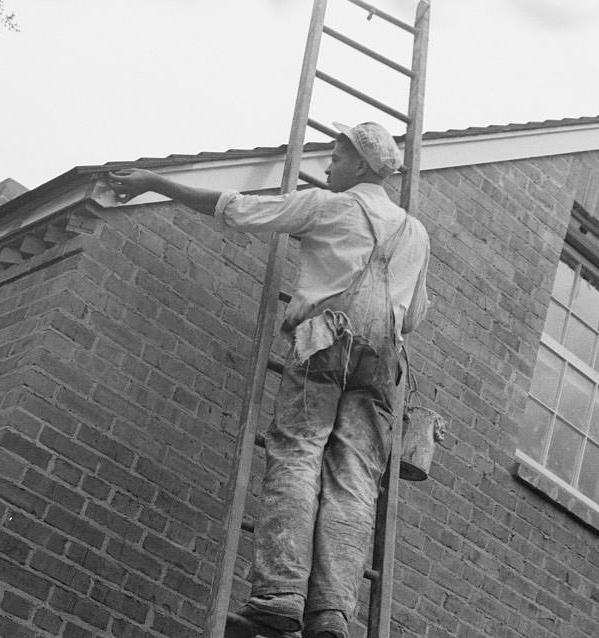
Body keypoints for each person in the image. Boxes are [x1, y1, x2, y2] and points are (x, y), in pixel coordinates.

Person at [107, 121, 430, 638]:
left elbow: (239, 209)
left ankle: (280, 593)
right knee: (353, 481)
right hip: (383, 365)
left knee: (298, 452)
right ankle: (331, 614)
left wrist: (155, 182)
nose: (328, 165)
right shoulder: (416, 233)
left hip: (325, 341)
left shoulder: (329, 206)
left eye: (338, 156)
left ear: (365, 165)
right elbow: (412, 317)